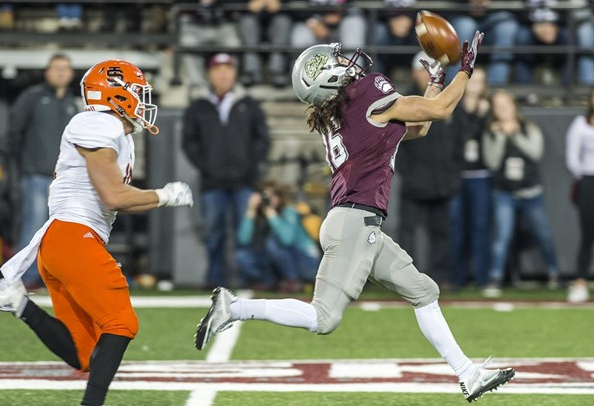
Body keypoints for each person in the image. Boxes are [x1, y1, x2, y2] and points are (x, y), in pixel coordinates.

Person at [196, 33, 517, 402]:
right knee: (323, 318)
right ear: (325, 79)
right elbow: (442, 110)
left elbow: (423, 124)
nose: (346, 63)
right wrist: (466, 70)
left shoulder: (346, 111)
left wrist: (434, 81)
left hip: (358, 222)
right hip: (354, 223)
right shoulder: (365, 94)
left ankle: (468, 373)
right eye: (335, 63)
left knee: (424, 291)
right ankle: (233, 307)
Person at [0, 60, 194, 406]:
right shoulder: (98, 122)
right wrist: (165, 195)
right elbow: (113, 196)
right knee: (121, 323)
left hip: (62, 244)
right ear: (116, 94)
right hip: (73, 236)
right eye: (136, 92)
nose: (141, 99)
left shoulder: (110, 129)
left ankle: (19, 304)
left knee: (85, 353)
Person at [182, 53, 270, 289]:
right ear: (210, 74)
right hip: (212, 182)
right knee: (213, 234)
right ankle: (215, 279)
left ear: (235, 73)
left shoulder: (249, 105)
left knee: (247, 232)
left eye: (228, 69)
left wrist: (249, 166)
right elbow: (189, 142)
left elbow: (262, 140)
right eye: (218, 69)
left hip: (245, 181)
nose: (223, 74)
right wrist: (207, 165)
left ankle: (250, 277)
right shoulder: (199, 106)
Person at [8, 53, 79, 290]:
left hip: (65, 180)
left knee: (65, 230)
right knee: (33, 226)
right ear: (47, 72)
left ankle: (57, 279)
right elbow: (13, 134)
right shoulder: (32, 97)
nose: (61, 72)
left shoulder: (73, 102)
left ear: (71, 74)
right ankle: (22, 280)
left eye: (65, 68)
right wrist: (20, 166)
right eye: (56, 67)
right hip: (36, 174)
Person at [482, 89, 560, 298]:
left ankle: (554, 274)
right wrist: (499, 137)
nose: (503, 110)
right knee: (502, 237)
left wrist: (515, 133)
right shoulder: (490, 130)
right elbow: (492, 162)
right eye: (498, 107)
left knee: (543, 235)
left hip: (530, 191)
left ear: (514, 105)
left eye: (506, 105)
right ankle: (495, 278)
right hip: (504, 192)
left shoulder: (528, 126)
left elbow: (536, 153)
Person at [395, 51, 464, 287]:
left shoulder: (448, 100)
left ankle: (440, 277)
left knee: (442, 233)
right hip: (414, 181)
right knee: (407, 235)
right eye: (424, 70)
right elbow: (397, 141)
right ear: (415, 72)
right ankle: (406, 280)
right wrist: (407, 173)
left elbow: (459, 141)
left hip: (442, 180)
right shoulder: (402, 100)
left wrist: (453, 173)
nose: (428, 75)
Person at [449, 66, 492, 290]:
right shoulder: (455, 108)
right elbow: (457, 138)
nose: (476, 86)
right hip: (458, 175)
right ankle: (457, 278)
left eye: (480, 82)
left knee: (480, 227)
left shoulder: (488, 110)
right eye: (474, 81)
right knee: (457, 228)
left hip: (481, 175)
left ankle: (482, 279)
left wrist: (484, 115)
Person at [236, 180, 320, 292]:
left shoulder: (289, 211)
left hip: (306, 262)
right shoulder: (258, 215)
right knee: (242, 254)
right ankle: (266, 282)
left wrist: (271, 213)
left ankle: (292, 281)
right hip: (277, 264)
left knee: (272, 241)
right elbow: (243, 240)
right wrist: (251, 210)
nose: (269, 200)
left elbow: (287, 240)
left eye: (272, 196)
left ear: (279, 197)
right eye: (265, 196)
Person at [565, 86, 594, 302]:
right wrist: (585, 177)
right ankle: (581, 283)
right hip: (588, 181)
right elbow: (572, 158)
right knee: (587, 235)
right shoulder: (580, 124)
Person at [446, 0, 519, 85]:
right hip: (461, 11)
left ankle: (496, 86)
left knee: (507, 28)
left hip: (497, 13)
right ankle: (452, 87)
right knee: (465, 27)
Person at [238, 0, 292, 87]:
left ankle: (277, 71)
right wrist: (247, 5)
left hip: (276, 18)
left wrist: (281, 4)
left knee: (283, 21)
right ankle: (251, 72)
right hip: (252, 18)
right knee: (247, 22)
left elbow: (294, 4)